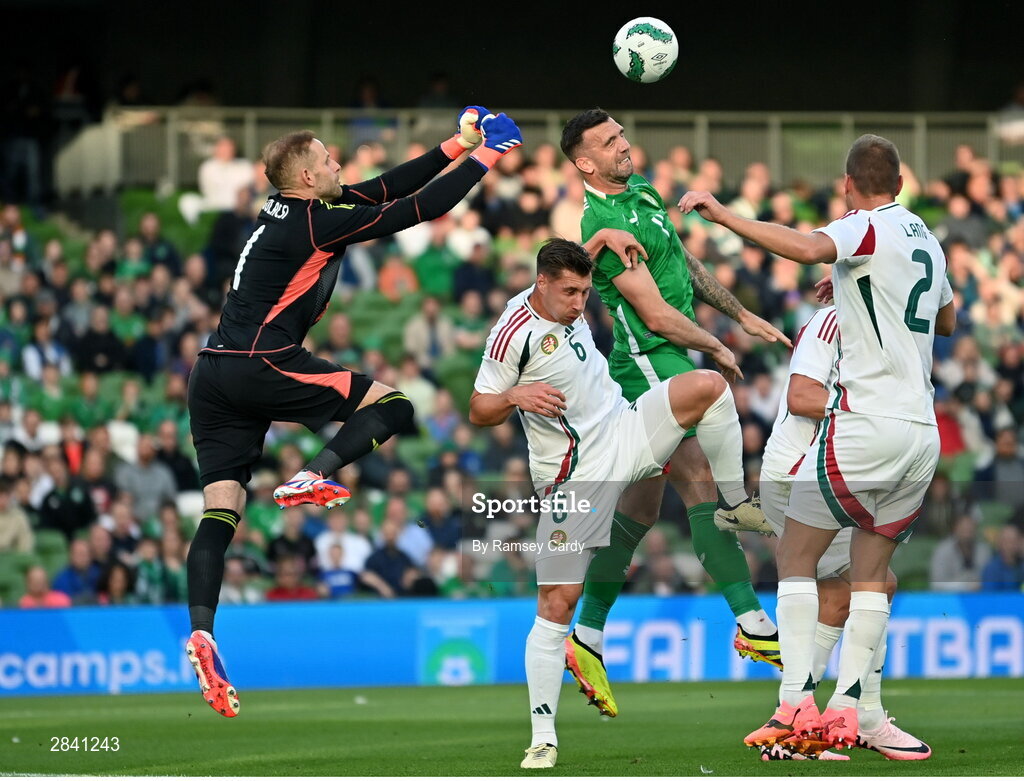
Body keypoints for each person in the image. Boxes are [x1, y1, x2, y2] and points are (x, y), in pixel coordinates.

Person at [183, 106, 525, 718]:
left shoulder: (291, 212)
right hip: (264, 360)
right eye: (328, 159)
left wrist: (455, 144)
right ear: (309, 177)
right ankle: (316, 472)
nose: (340, 163)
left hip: (212, 374)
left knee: (222, 510)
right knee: (395, 404)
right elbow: (414, 210)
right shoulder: (316, 223)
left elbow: (384, 188)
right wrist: (488, 155)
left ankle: (203, 632)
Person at [678, 134, 955, 752]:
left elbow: (807, 247)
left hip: (867, 426)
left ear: (849, 187)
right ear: (903, 184)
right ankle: (856, 712)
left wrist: (723, 214)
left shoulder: (865, 225)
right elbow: (947, 319)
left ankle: (795, 708)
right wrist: (862, 287)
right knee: (873, 578)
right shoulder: (928, 241)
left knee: (796, 559)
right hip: (922, 431)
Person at [469, 239, 750, 769]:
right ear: (542, 283)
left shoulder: (571, 291)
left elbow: (587, 258)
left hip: (624, 429)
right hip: (573, 475)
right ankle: (543, 736)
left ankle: (735, 502)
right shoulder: (513, 335)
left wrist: (601, 241)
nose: (580, 303)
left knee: (708, 385)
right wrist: (513, 397)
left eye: (584, 291)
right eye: (569, 292)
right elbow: (478, 408)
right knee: (557, 603)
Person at [558, 109, 788, 705]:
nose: (623, 146)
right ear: (584, 162)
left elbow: (685, 265)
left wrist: (740, 315)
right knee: (702, 486)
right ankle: (751, 621)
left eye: (621, 136)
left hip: (672, 362)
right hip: (646, 365)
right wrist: (716, 346)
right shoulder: (601, 220)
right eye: (609, 143)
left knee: (640, 507)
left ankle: (585, 633)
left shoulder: (642, 194)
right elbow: (655, 316)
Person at [759, 303, 930, 761]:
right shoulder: (834, 318)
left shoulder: (890, 327)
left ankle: (806, 725)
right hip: (799, 466)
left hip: (839, 464)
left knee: (844, 595)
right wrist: (872, 415)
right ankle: (853, 718)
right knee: (873, 585)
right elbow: (801, 396)